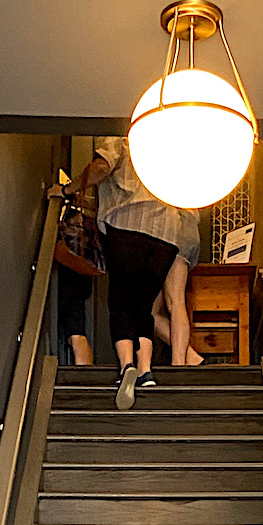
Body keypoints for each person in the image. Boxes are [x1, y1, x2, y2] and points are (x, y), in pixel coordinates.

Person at [63, 136, 181, 409]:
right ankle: (146, 371)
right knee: (144, 307)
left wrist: (69, 190)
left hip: (128, 226)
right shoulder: (166, 143)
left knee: (121, 303)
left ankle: (127, 365)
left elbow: (102, 168)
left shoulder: (123, 140)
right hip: (167, 235)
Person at [152, 213, 204, 367]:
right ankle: (190, 358)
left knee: (175, 302)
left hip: (170, 228)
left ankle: (179, 365)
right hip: (186, 228)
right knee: (150, 313)